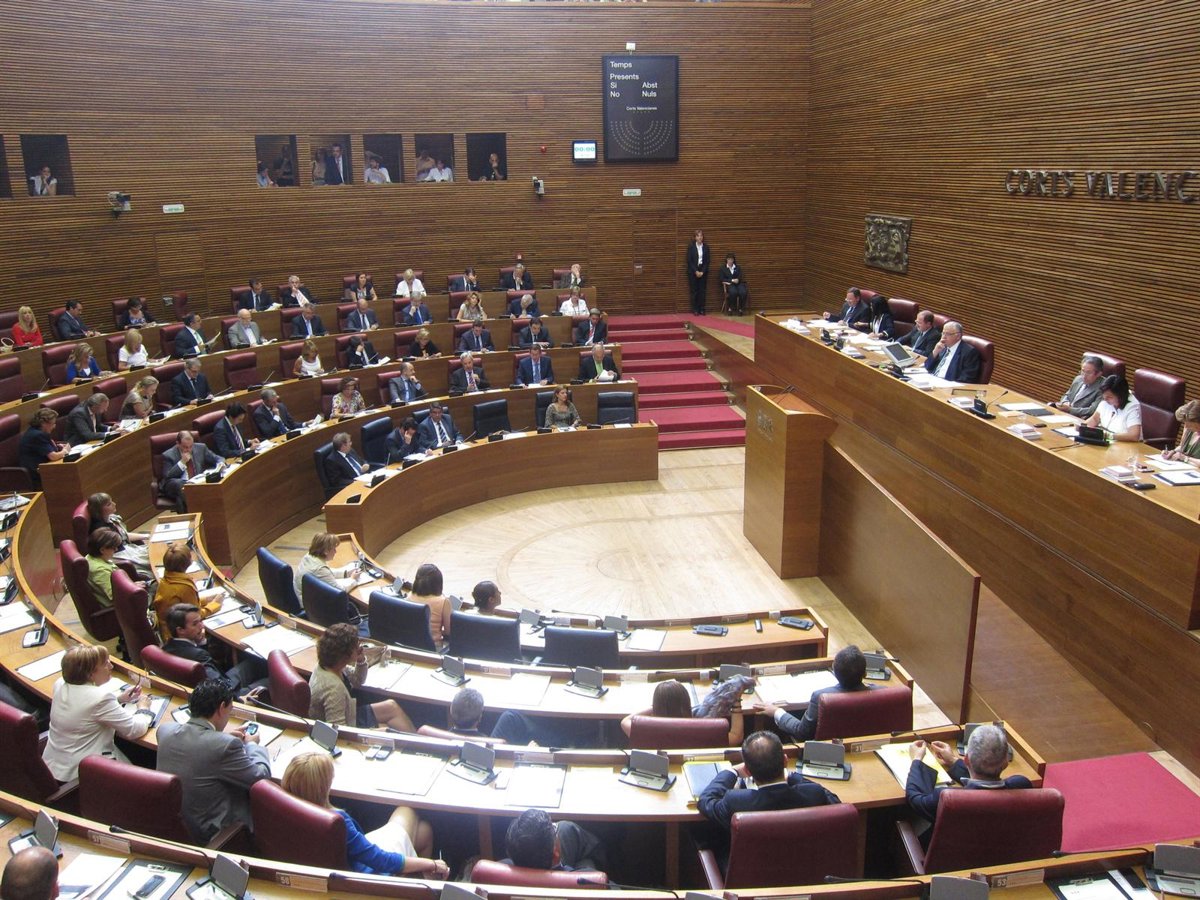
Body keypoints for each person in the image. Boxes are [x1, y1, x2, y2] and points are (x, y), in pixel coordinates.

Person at [284, 753, 445, 876]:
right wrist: (431, 864)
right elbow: (381, 860)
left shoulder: (287, 812)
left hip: (348, 861)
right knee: (407, 810)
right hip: (364, 874)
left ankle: (421, 885)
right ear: (323, 787)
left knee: (424, 831)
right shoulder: (336, 822)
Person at [156, 678, 271, 843]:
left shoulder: (165, 730)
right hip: (216, 834)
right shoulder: (226, 746)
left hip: (181, 826)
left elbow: (199, 747)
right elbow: (261, 778)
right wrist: (253, 745)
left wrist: (220, 737)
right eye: (230, 711)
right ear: (222, 708)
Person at [697, 731, 840, 848]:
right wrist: (792, 776)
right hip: (807, 871)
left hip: (753, 873)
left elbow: (705, 801)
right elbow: (834, 802)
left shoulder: (736, 801)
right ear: (785, 761)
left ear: (747, 771)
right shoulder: (813, 794)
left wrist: (732, 772)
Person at [42, 645, 152, 782]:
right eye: (105, 664)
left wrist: (118, 699)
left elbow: (82, 705)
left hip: (54, 765)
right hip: (81, 774)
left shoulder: (60, 683)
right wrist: (143, 708)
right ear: (90, 674)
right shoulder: (100, 698)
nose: (111, 666)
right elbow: (135, 730)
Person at [906, 724, 1031, 824]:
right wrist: (953, 761)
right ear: (1006, 763)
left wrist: (916, 760)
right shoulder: (1021, 786)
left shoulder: (949, 799)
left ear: (966, 760)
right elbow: (985, 783)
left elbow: (916, 799)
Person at [754, 645, 873, 742]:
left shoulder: (821, 697)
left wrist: (776, 711)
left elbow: (802, 733)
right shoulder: (879, 692)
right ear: (865, 674)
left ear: (834, 671)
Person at [309, 623, 415, 730]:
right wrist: (376, 731)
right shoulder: (333, 688)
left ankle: (415, 739)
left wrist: (360, 659)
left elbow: (358, 680)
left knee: (391, 706)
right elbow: (338, 730)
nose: (360, 647)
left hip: (349, 713)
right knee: (387, 729)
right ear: (346, 654)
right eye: (356, 646)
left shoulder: (331, 665)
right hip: (345, 725)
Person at [162, 604, 266, 692]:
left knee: (256, 662)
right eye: (195, 624)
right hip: (230, 695)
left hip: (216, 684)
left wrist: (202, 643)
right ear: (180, 630)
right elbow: (222, 689)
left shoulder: (166, 647)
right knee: (269, 681)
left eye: (201, 621)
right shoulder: (198, 655)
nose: (202, 626)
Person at [621, 679, 744, 746]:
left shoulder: (646, 730)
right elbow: (736, 736)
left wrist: (655, 707)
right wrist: (736, 701)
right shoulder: (704, 729)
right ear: (687, 703)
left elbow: (625, 721)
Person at [501, 809, 606, 873]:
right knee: (566, 828)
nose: (557, 826)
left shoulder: (498, 871)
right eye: (555, 828)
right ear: (555, 854)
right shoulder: (589, 880)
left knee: (566, 829)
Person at [154, 545, 222, 639]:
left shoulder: (166, 578)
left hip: (166, 630)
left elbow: (183, 602)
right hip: (177, 636)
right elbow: (196, 615)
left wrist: (205, 599)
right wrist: (215, 604)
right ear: (187, 563)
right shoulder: (184, 586)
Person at [87, 492, 153, 583]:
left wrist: (147, 536)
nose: (114, 504)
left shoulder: (109, 519)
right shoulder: (101, 530)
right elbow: (113, 548)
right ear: (98, 510)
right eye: (109, 504)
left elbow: (123, 535)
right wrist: (147, 536)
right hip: (120, 555)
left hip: (126, 549)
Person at [160, 430, 214, 512]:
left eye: (191, 446)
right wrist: (182, 462)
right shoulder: (168, 455)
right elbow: (168, 475)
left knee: (181, 496)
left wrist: (221, 463)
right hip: (173, 484)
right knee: (181, 485)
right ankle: (199, 509)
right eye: (185, 447)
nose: (189, 449)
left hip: (196, 481)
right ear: (178, 444)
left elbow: (216, 458)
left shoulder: (201, 448)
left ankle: (189, 514)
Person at [295, 531, 358, 598]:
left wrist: (346, 573)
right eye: (334, 549)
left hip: (302, 595)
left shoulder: (309, 555)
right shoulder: (319, 569)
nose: (335, 552)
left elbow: (327, 572)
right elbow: (340, 591)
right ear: (326, 551)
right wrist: (352, 579)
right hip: (309, 602)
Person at [1085, 374, 1142, 442]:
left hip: (1126, 445)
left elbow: (1134, 436)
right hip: (1108, 442)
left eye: (1109, 397)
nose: (1105, 399)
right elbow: (1094, 419)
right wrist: (1082, 427)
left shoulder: (1132, 407)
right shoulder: (1106, 401)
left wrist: (1108, 436)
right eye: (1104, 396)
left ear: (1120, 396)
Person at [19, 409, 67, 486]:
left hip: (43, 466)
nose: (54, 427)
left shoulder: (34, 430)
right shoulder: (37, 435)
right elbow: (53, 457)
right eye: (53, 424)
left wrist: (57, 446)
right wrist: (64, 451)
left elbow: (44, 446)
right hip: (37, 472)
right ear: (43, 423)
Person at [1048, 354, 1105, 418]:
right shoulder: (1078, 379)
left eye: (1088, 373)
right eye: (1083, 371)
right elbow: (1067, 395)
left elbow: (1092, 410)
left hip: (1080, 418)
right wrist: (1065, 402)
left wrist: (1070, 410)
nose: (1084, 376)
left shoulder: (1103, 387)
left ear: (1099, 374)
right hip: (1064, 414)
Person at [409, 563, 451, 644]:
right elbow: (448, 631)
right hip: (433, 647)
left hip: (410, 643)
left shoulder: (409, 596)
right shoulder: (444, 602)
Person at [85, 527, 124, 608]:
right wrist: (133, 587)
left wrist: (132, 585)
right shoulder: (100, 571)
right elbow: (115, 596)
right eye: (113, 548)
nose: (116, 549)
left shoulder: (90, 557)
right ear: (102, 550)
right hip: (118, 608)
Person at [686, 229, 711, 315]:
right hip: (693, 271)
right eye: (698, 236)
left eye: (701, 236)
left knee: (702, 291)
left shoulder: (706, 247)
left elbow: (707, 261)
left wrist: (702, 271)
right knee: (694, 291)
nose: (700, 237)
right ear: (695, 237)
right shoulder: (691, 247)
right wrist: (696, 271)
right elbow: (689, 261)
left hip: (703, 271)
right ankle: (695, 309)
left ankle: (702, 309)